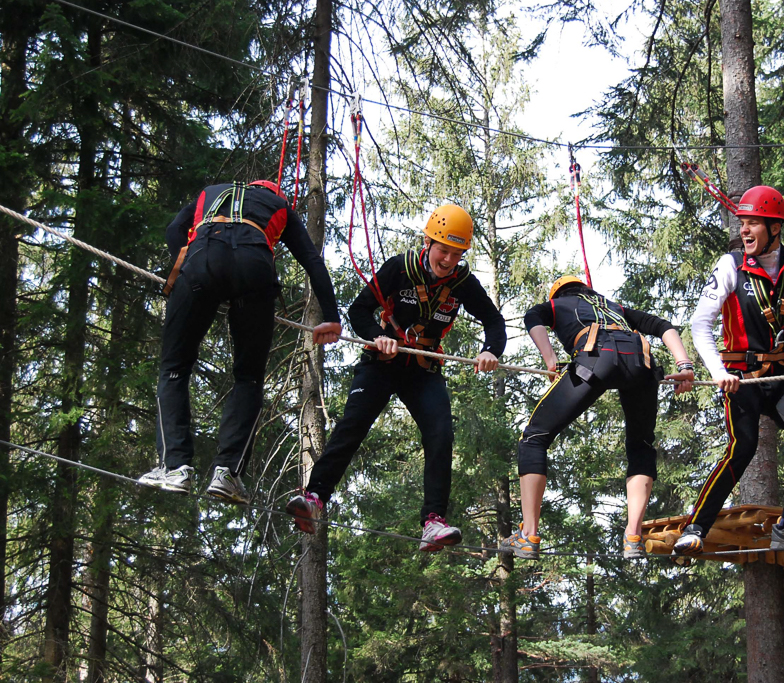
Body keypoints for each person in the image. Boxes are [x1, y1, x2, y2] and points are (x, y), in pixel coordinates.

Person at [286, 204, 506, 550]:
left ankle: (434, 521)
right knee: (353, 425)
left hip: (422, 369)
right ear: (427, 242)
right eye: (443, 250)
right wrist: (378, 334)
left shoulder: (463, 283)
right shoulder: (399, 268)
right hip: (381, 363)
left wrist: (490, 349)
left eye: (456, 253)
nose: (448, 260)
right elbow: (359, 310)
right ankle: (314, 498)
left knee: (440, 434)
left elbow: (494, 321)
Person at [139, 180, 342, 503]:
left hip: (202, 258)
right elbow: (312, 260)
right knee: (248, 377)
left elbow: (174, 230)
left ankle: (175, 466)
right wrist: (331, 315)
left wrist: (195, 269)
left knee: (174, 368)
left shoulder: (210, 192)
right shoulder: (280, 206)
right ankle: (228, 472)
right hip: (255, 269)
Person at [669, 185, 784, 556]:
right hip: (740, 376)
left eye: (753, 224)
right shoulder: (730, 265)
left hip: (781, 375)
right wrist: (718, 371)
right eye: (742, 223)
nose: (744, 231)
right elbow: (700, 324)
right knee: (743, 446)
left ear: (775, 228)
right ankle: (695, 527)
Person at [500, 276, 695, 559]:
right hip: (641, 365)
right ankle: (633, 537)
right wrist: (684, 364)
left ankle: (528, 535)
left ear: (558, 293)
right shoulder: (616, 308)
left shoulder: (556, 305)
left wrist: (550, 358)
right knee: (641, 446)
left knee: (534, 437)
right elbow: (663, 326)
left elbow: (533, 318)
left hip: (596, 359)